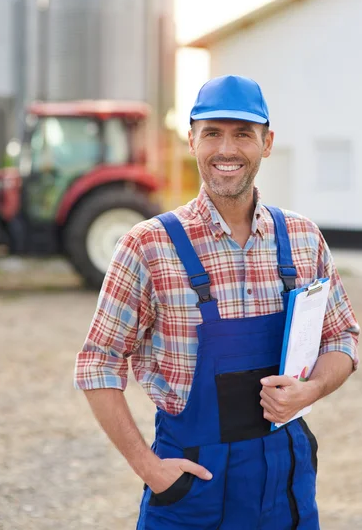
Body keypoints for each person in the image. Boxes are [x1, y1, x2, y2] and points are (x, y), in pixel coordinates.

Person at [74, 75, 359, 530]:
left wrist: (311, 390)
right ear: (191, 140)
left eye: (243, 133)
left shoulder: (303, 238)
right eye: (212, 133)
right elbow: (97, 364)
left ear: (267, 143)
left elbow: (342, 336)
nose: (227, 149)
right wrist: (150, 469)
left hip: (287, 487)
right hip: (193, 493)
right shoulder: (148, 246)